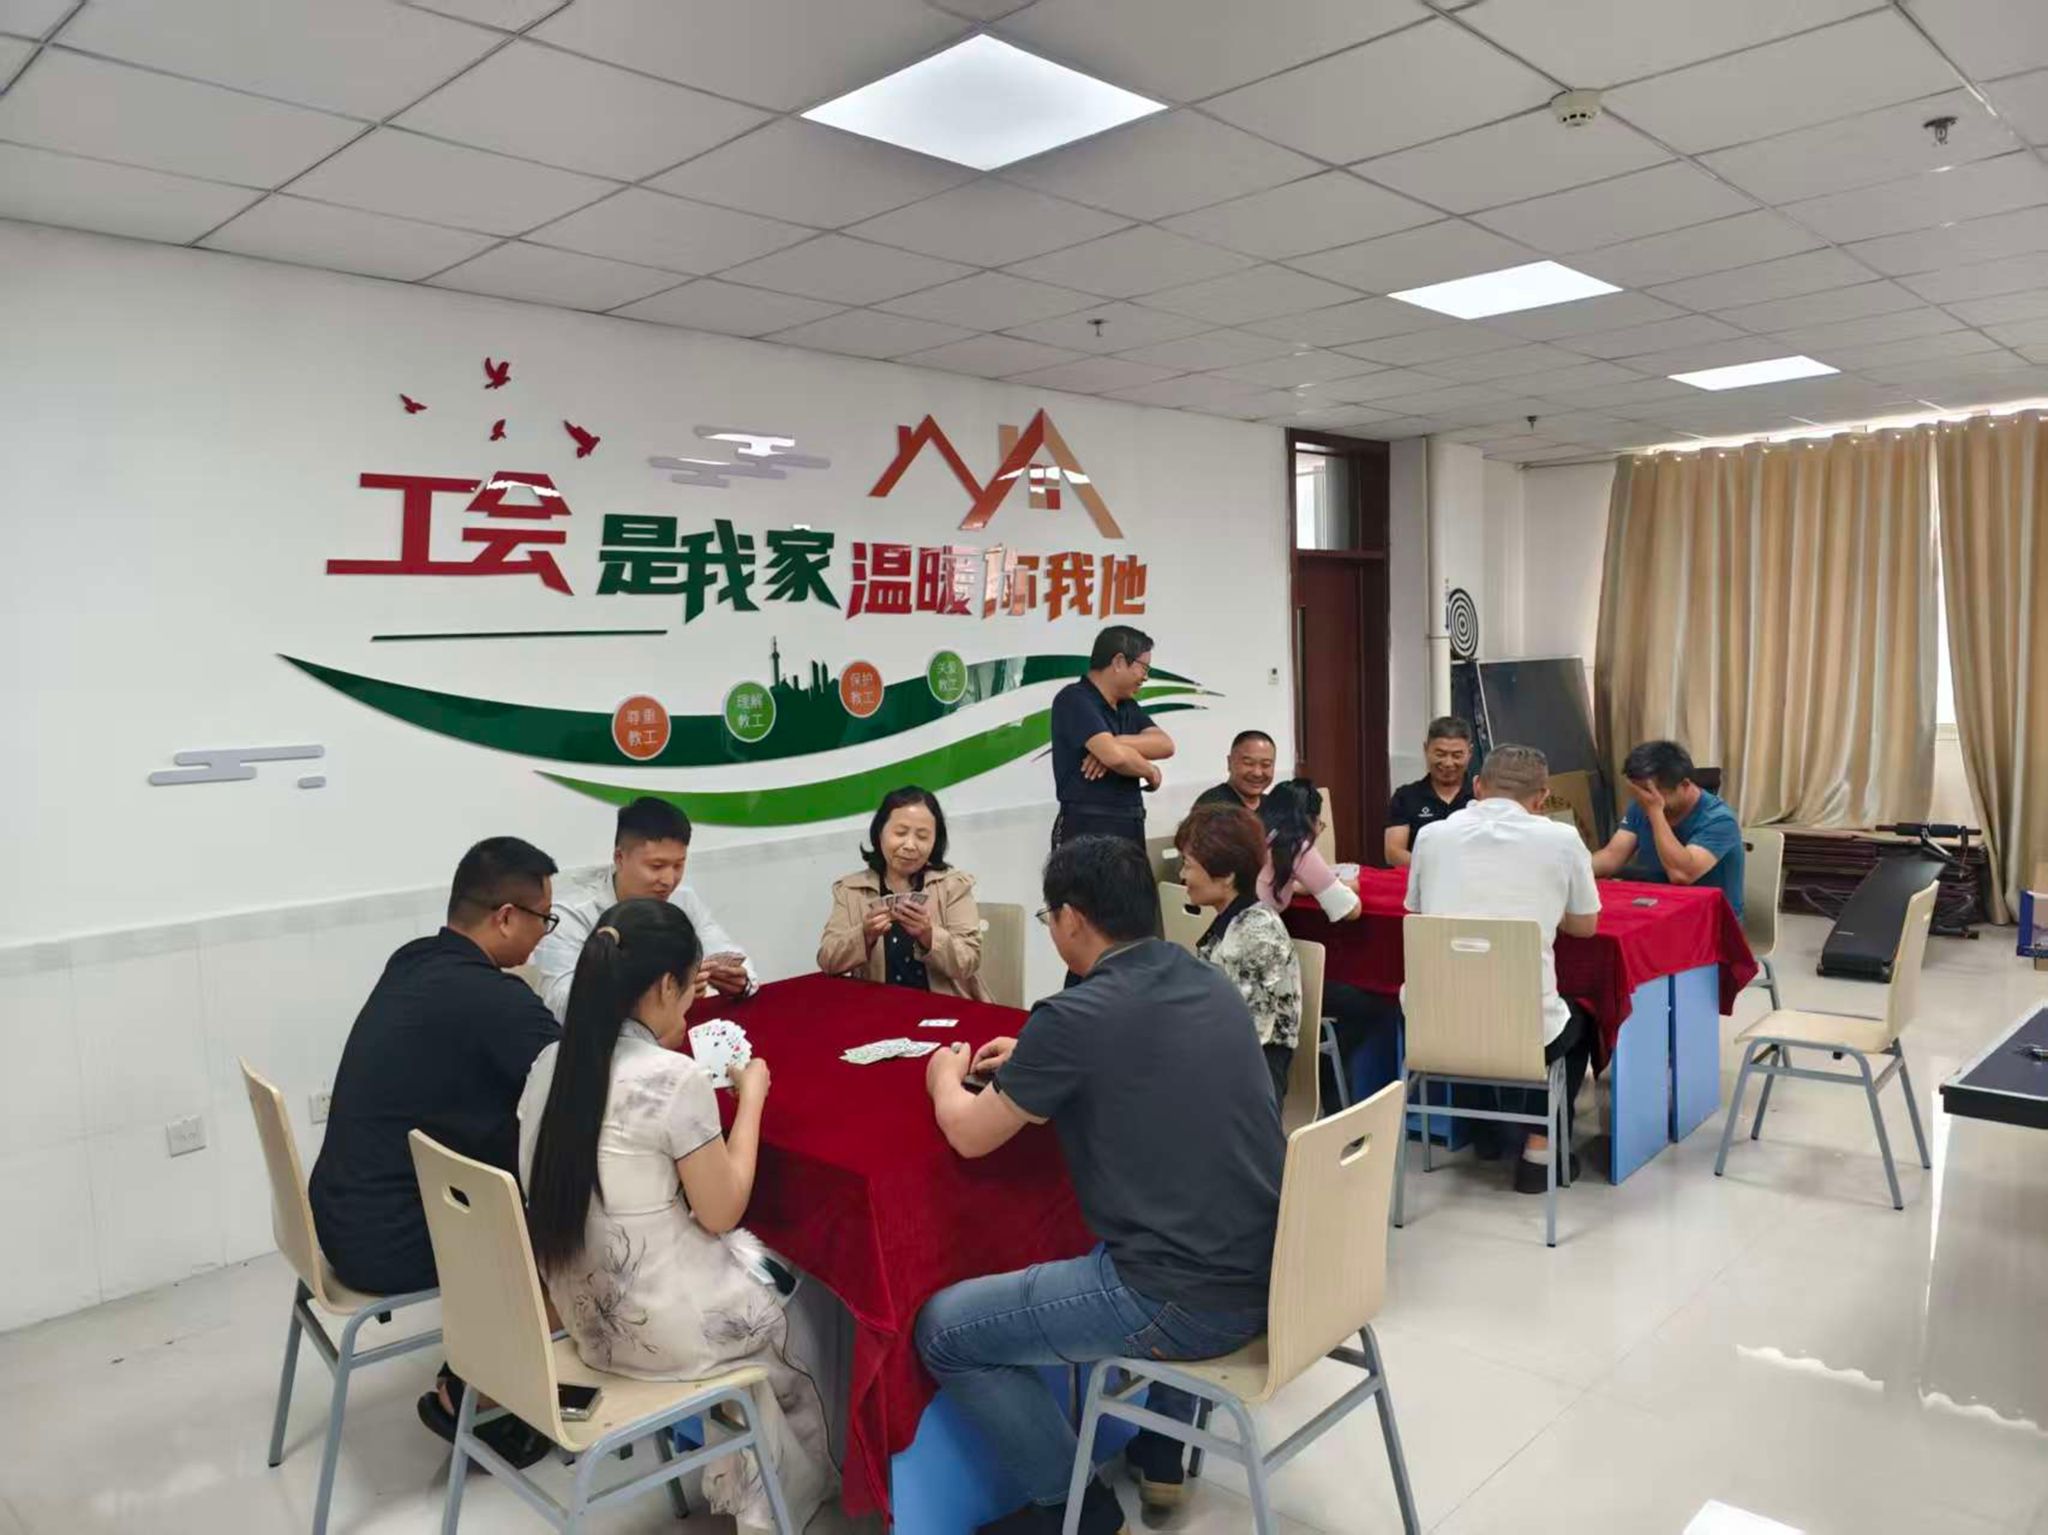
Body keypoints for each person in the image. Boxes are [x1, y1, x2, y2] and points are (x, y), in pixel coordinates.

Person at [916, 836, 1281, 1534]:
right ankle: (1146, 1460)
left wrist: (942, 1078)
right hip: (1274, 1274)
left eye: (1049, 917)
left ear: (1073, 919)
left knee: (945, 1331)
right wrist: (1037, 1058)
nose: (1051, 929)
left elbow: (967, 1132)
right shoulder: (1204, 977)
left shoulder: (1076, 1017)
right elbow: (1136, 1055)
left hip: (1180, 1298)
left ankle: (1075, 1510)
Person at [519, 898, 836, 1535]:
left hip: (583, 1321)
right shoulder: (672, 1078)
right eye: (691, 988)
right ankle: (794, 1496)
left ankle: (750, 1473)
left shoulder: (550, 1063)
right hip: (665, 1334)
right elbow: (721, 1211)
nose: (693, 1005)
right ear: (666, 985)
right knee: (823, 1294)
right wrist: (751, 1099)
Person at [308, 836, 563, 1464]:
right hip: (384, 1241)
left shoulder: (413, 960)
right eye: (544, 919)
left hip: (338, 1211)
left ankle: (479, 1377)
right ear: (506, 916)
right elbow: (582, 1078)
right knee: (564, 1230)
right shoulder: (492, 998)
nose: (545, 936)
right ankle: (488, 1395)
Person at [1406, 744, 1601, 1192]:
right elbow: (1586, 926)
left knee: (1475, 999)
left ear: (1477, 785)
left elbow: (1417, 912)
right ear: (1542, 797)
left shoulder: (1431, 836)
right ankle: (1539, 1152)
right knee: (1583, 1017)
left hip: (1434, 1025)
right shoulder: (1561, 840)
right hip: (1525, 1030)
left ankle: (1487, 1134)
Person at [534, 796, 755, 1021]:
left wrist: (740, 981)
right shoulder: (572, 915)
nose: (669, 880)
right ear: (620, 858)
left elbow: (728, 953)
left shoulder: (683, 899)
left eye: (678, 865)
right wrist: (655, 995)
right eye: (656, 866)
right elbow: (560, 1005)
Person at [1176, 804, 1303, 1105]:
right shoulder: (1235, 921)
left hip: (1249, 1087)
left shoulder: (1255, 933)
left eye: (1188, 865)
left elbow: (1244, 1036)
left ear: (1227, 876)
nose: (1182, 875)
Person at [818, 785, 989, 1000]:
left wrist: (929, 935)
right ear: (880, 833)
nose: (910, 845)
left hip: (943, 1008)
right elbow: (828, 961)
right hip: (877, 1008)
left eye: (922, 836)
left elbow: (969, 961)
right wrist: (865, 934)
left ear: (935, 841)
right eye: (900, 833)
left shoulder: (953, 886)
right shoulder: (851, 890)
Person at [1048, 624, 1175, 848]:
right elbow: (1115, 758)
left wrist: (1113, 742)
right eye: (1144, 668)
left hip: (1129, 824)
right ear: (1118, 662)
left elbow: (1165, 745)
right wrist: (1150, 770)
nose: (1145, 677)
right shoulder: (1074, 699)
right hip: (1087, 831)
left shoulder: (1127, 705)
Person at [1591, 739, 1746, 918]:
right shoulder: (1643, 805)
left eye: (1650, 792)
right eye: (1638, 791)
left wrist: (1655, 812)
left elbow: (1682, 875)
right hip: (1659, 909)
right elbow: (1612, 856)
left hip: (1709, 919)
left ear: (1685, 785)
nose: (1643, 798)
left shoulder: (1719, 819)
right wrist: (1572, 868)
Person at [1256, 777, 1362, 922]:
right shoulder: (1297, 846)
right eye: (1319, 823)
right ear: (1309, 821)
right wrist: (1345, 885)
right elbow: (1350, 910)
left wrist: (1299, 887)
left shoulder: (1253, 832)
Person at [1384, 716, 1476, 867]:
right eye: (1440, 754)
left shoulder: (1482, 796)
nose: (1448, 763)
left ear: (1470, 752)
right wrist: (1435, 869)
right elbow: (1393, 852)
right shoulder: (1405, 797)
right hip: (1420, 878)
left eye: (1457, 755)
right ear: (1426, 749)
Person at [1194, 729, 1277, 812]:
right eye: (1248, 763)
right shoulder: (1214, 806)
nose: (1257, 773)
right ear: (1230, 762)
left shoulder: (1273, 806)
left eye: (1266, 764)